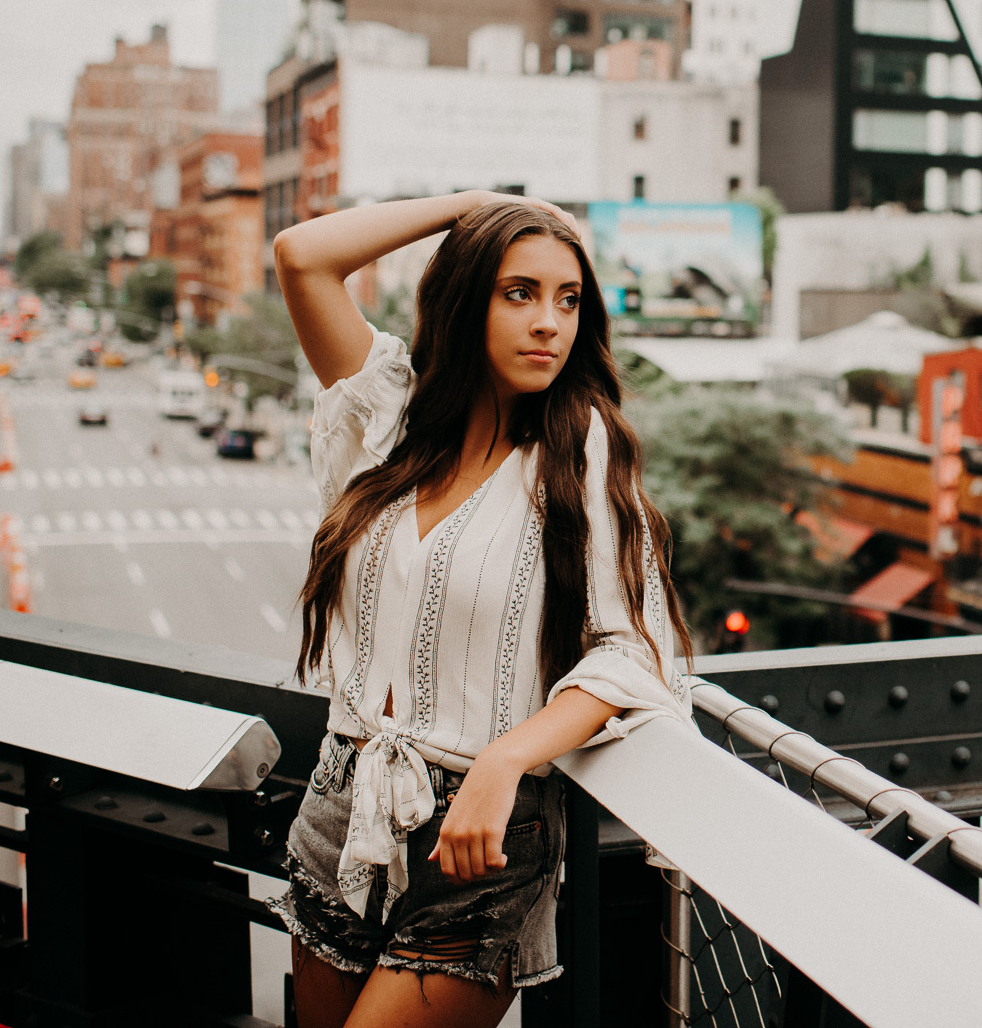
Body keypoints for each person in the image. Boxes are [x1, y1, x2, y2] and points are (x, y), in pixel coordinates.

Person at [266, 192, 692, 1028]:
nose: (550, 324)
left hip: (480, 842)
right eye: (519, 292)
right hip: (340, 808)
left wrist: (505, 761)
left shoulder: (579, 450)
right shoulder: (393, 416)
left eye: (569, 300)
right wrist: (485, 202)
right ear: (466, 298)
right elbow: (302, 255)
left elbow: (629, 650)